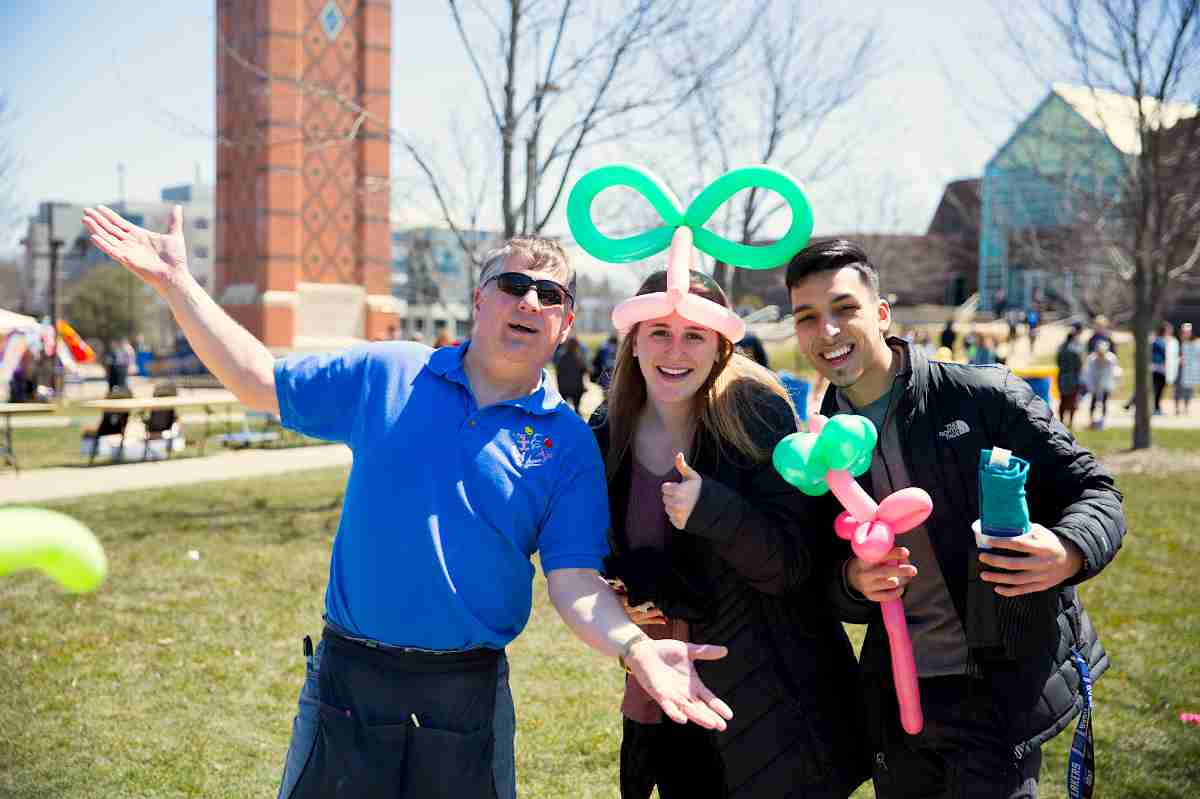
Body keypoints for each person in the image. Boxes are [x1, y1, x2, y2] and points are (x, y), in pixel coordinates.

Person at [81, 205, 734, 799]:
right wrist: (176, 283)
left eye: (550, 294)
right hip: (349, 680)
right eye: (512, 285)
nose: (529, 301)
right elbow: (257, 380)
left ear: (564, 324)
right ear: (480, 301)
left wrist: (634, 647)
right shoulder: (390, 372)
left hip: (467, 696)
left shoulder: (568, 444)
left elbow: (573, 581)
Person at [785, 239, 1124, 799]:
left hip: (998, 691)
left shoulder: (980, 396)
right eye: (808, 317)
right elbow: (824, 577)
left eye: (844, 309)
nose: (828, 332)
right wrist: (853, 582)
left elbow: (1096, 493)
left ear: (882, 313)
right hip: (898, 703)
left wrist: (1066, 552)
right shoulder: (817, 450)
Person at [593, 267, 866, 798]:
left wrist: (713, 509)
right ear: (633, 342)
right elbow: (607, 553)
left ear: (718, 346)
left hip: (772, 699)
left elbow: (791, 566)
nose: (676, 350)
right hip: (668, 691)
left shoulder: (757, 417)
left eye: (694, 335)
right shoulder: (608, 432)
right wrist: (617, 596)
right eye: (659, 333)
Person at [1055, 323, 1086, 430]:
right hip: (1073, 377)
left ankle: (1062, 420)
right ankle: (1070, 422)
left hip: (1062, 376)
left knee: (1063, 400)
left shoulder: (1060, 350)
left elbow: (1058, 363)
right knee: (1072, 400)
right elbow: (1079, 366)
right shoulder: (1074, 351)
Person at [1084, 339, 1119, 429]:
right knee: (1093, 402)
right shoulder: (1092, 359)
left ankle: (1103, 420)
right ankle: (1091, 420)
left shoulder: (1110, 358)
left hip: (1106, 384)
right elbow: (1089, 372)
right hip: (1095, 384)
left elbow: (1114, 371)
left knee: (1104, 402)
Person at [554, 336, 588, 413]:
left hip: (564, 388)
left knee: (563, 409)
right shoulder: (578, 358)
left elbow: (558, 372)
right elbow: (584, 371)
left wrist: (560, 386)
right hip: (576, 388)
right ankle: (576, 422)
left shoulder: (561, 358)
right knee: (577, 409)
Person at [1177, 322, 1198, 415]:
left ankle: (1186, 408)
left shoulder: (1194, 343)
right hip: (1179, 368)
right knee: (1178, 388)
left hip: (1189, 369)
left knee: (1188, 389)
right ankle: (1177, 408)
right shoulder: (1177, 342)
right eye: (1185, 331)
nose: (1186, 333)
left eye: (1188, 332)